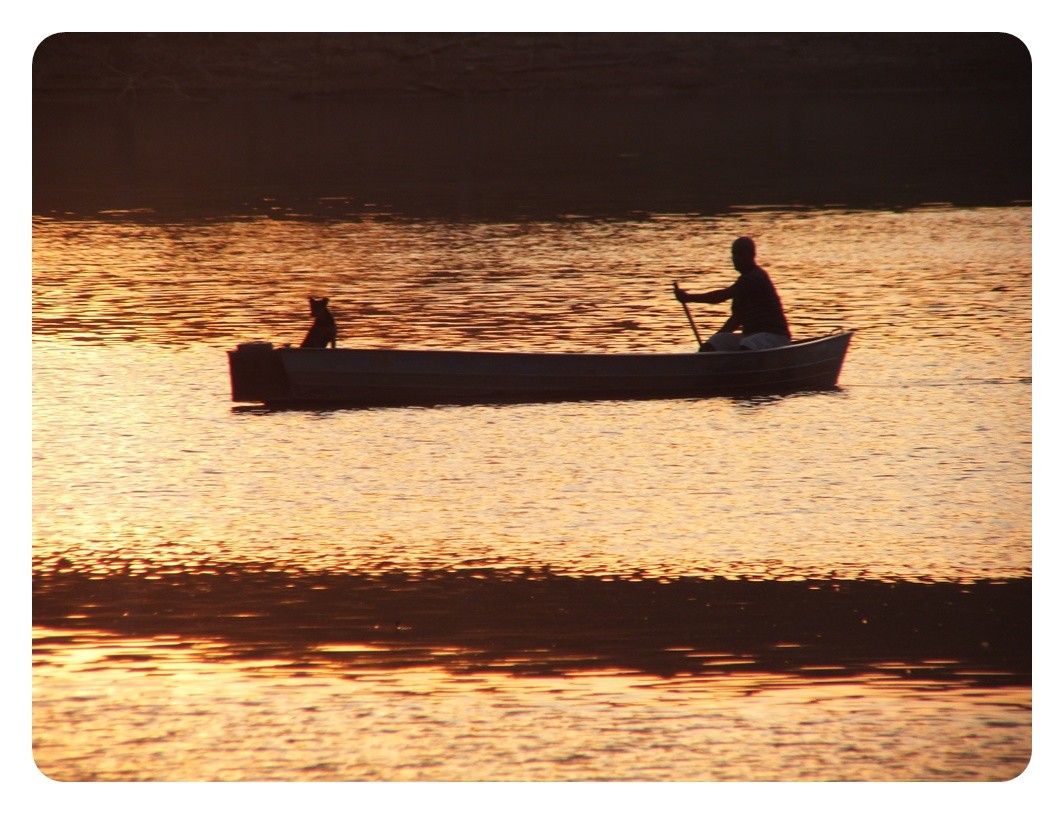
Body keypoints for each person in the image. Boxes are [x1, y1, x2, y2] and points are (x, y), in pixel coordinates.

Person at [674, 236, 791, 352]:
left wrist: (688, 298)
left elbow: (720, 296)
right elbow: (736, 319)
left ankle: (741, 368)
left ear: (751, 255)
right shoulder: (742, 283)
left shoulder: (755, 277)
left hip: (775, 337)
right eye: (734, 254)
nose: (735, 258)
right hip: (752, 336)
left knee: (748, 344)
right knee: (717, 341)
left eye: (740, 254)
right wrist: (711, 343)